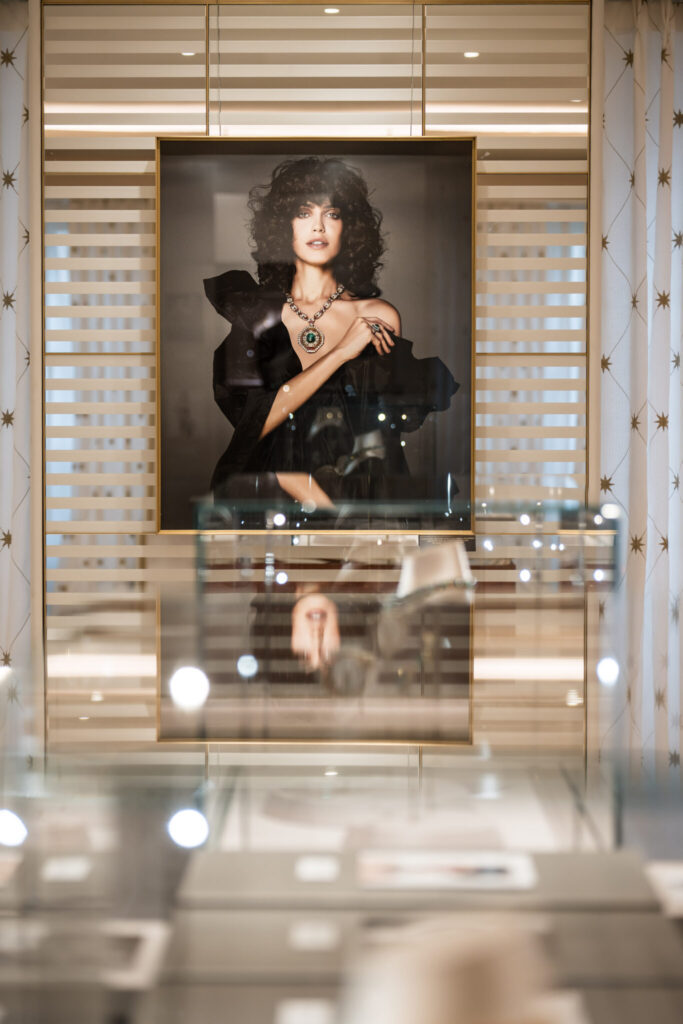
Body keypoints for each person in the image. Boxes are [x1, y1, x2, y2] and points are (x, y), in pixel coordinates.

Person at [204, 156, 458, 512]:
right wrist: (341, 353)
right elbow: (252, 424)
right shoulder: (255, 315)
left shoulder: (377, 316)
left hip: (352, 505)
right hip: (273, 504)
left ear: (349, 228)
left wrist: (335, 509)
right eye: (304, 213)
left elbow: (379, 437)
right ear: (284, 225)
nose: (319, 226)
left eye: (332, 214)